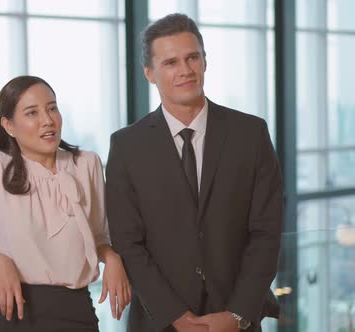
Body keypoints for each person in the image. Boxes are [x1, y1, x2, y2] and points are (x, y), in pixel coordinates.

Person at [106, 13, 283, 332]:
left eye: (192, 58)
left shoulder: (251, 134)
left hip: (237, 319)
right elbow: (128, 242)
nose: (185, 70)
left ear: (204, 61)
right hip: (159, 322)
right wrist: (175, 316)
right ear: (149, 73)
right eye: (171, 62)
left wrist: (237, 315)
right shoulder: (126, 146)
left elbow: (266, 233)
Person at [0, 75, 131, 332]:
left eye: (52, 108)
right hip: (16, 313)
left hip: (78, 311)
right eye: (32, 113)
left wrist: (112, 258)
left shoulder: (87, 164)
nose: (47, 120)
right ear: (8, 125)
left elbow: (97, 237)